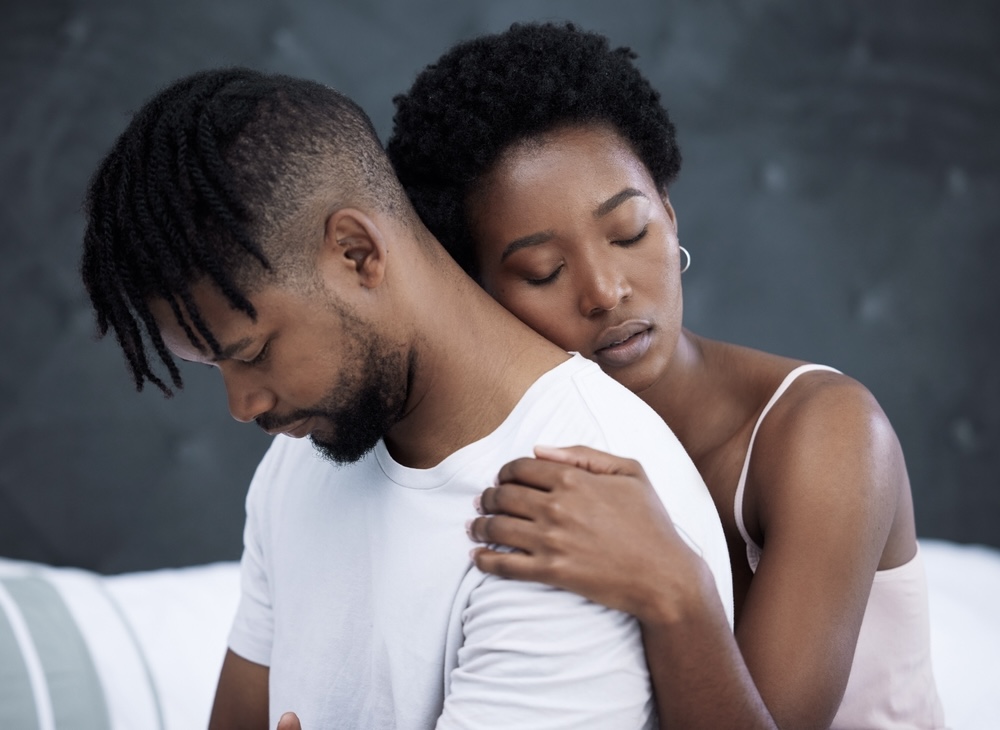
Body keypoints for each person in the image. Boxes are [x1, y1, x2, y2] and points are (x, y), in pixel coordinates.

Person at [80, 68, 733, 729]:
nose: (242, 405)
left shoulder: (568, 503)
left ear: (358, 252)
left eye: (250, 353)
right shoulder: (301, 460)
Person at [387, 21, 946, 730]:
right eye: (543, 271)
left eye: (629, 232)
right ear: (476, 293)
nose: (604, 290)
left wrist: (674, 586)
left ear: (672, 217)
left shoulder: (829, 433)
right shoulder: (503, 457)